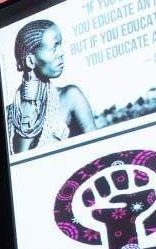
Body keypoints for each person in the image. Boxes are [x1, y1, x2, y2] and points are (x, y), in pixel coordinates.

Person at [6, 19, 95, 152]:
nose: (61, 53)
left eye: (60, 46)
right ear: (30, 61)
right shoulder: (8, 115)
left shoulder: (70, 96)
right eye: (54, 47)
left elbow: (97, 151)